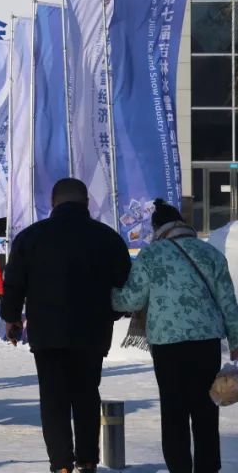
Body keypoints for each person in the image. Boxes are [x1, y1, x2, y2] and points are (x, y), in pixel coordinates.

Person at [0, 178, 132, 473]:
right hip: (92, 332)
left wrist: (11, 317)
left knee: (53, 398)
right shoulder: (107, 238)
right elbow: (124, 284)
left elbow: (14, 282)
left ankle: (61, 463)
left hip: (47, 332)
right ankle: (87, 460)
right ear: (87, 202)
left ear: (53, 202)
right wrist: (112, 313)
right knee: (87, 394)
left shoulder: (30, 237)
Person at [112, 200, 238, 473]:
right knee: (206, 409)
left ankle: (179, 468)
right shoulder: (210, 253)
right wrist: (236, 341)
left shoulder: (151, 255)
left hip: (167, 345)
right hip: (206, 343)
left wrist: (108, 295)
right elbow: (228, 301)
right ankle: (207, 469)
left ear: (157, 228)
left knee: (174, 412)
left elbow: (131, 299)